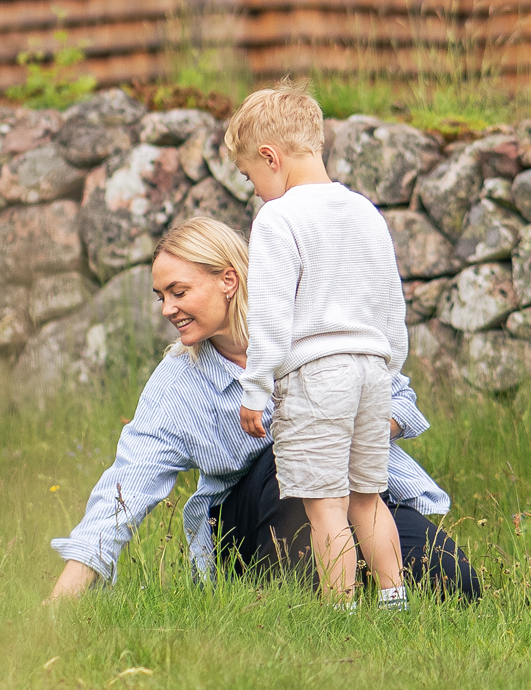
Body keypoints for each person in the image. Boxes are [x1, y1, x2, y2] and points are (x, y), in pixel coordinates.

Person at [46, 217, 479, 603]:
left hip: (350, 496)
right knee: (289, 448)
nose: (168, 309)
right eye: (161, 296)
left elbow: (398, 396)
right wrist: (66, 594)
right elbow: (127, 484)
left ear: (228, 281)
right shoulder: (177, 382)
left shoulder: (306, 328)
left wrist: (352, 426)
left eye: (179, 292)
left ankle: (359, 587)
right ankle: (304, 597)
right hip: (251, 527)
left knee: (457, 582)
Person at [222, 80, 417, 610]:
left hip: (317, 377)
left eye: (251, 175)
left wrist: (255, 389)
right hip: (373, 373)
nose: (255, 189)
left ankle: (342, 613)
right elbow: (391, 306)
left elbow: (270, 315)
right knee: (368, 499)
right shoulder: (365, 213)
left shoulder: (278, 218)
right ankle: (395, 603)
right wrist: (388, 367)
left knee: (324, 507)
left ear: (271, 156)